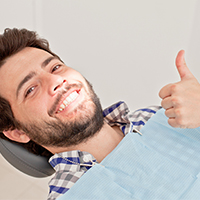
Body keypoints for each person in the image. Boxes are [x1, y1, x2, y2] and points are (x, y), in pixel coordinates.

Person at [0, 28, 200, 200]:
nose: (56, 81)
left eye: (55, 67)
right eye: (30, 90)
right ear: (17, 132)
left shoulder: (163, 116)